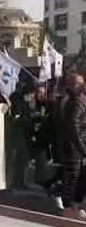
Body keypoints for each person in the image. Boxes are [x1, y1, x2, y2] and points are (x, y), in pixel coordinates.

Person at [60, 73, 86, 219]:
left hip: (77, 146)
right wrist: (83, 150)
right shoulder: (74, 103)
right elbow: (74, 128)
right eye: (78, 83)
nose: (81, 85)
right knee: (72, 177)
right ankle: (69, 208)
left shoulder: (78, 101)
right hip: (74, 148)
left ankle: (74, 205)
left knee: (78, 177)